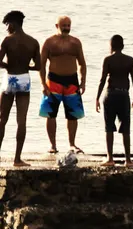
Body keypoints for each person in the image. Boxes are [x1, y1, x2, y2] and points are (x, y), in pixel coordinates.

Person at [39, 15, 86, 154]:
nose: (66, 28)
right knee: (50, 114)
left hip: (72, 81)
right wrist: (43, 84)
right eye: (63, 25)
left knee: (73, 115)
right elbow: (41, 65)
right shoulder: (49, 42)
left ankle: (72, 144)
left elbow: (82, 63)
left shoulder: (76, 43)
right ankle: (53, 145)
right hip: (53, 81)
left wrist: (83, 82)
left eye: (68, 25)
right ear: (56, 26)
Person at [0, 11, 40, 167]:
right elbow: (39, 66)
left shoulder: (8, 41)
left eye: (7, 25)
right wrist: (26, 66)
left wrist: (7, 66)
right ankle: (17, 159)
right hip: (24, 79)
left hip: (10, 78)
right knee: (21, 120)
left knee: (2, 119)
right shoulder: (33, 42)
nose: (6, 28)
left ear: (13, 23)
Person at [95, 34, 133, 167]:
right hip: (124, 95)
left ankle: (110, 158)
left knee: (109, 127)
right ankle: (128, 160)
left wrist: (97, 98)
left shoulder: (108, 59)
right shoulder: (130, 60)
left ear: (111, 46)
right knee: (126, 128)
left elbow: (103, 80)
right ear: (123, 46)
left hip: (111, 94)